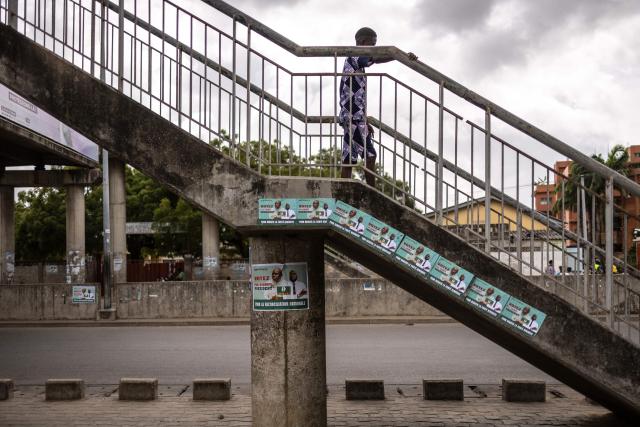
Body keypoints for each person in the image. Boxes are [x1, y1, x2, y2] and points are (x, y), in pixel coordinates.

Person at [339, 27, 417, 186]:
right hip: (353, 116)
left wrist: (365, 120)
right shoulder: (355, 55)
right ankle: (371, 193)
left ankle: (342, 193)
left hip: (352, 115)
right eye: (372, 44)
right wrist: (397, 56)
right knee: (370, 155)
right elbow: (374, 58)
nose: (373, 48)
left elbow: (355, 96)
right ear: (361, 42)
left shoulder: (354, 62)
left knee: (349, 158)